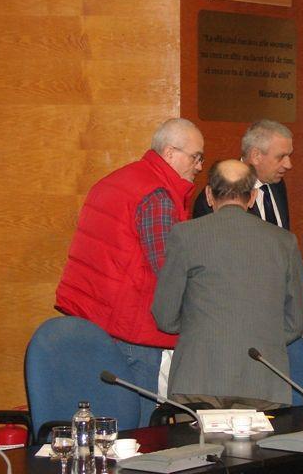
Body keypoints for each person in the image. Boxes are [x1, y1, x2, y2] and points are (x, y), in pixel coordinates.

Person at [55, 118, 204, 426]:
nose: (199, 166)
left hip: (93, 318)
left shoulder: (119, 179)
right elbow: (169, 270)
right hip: (131, 331)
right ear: (170, 152)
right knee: (138, 428)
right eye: (195, 157)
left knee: (106, 419)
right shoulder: (157, 195)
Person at [153, 159, 303, 409]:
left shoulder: (184, 235)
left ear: (208, 195)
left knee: (195, 438)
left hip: (198, 379)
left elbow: (165, 316)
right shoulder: (284, 241)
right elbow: (299, 320)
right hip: (263, 380)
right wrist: (261, 336)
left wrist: (203, 329)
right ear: (253, 197)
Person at [192, 119, 292, 229]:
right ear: (256, 156)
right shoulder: (217, 193)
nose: (288, 165)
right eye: (281, 157)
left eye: (289, 156)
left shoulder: (277, 184)